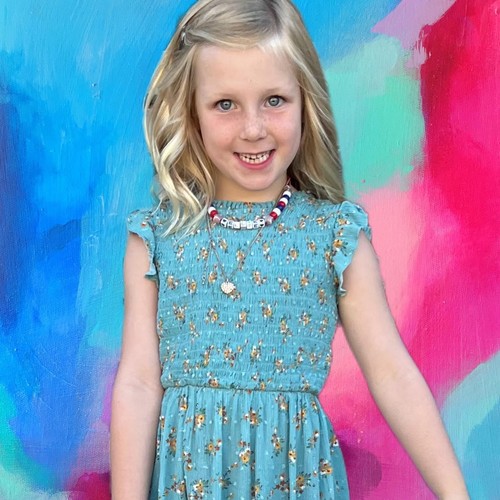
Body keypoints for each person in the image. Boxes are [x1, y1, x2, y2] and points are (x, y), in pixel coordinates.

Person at [110, 0, 469, 498]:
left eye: (274, 100)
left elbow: (392, 374)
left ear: (305, 101)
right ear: (191, 113)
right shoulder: (157, 238)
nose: (253, 128)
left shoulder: (333, 237)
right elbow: (138, 385)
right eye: (225, 104)